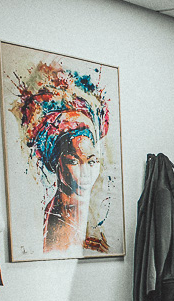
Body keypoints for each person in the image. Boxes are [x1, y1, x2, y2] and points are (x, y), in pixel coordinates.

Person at [11, 62, 111, 255]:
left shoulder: (83, 211)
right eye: (74, 161)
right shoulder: (60, 221)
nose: (85, 173)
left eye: (91, 161)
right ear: (56, 163)